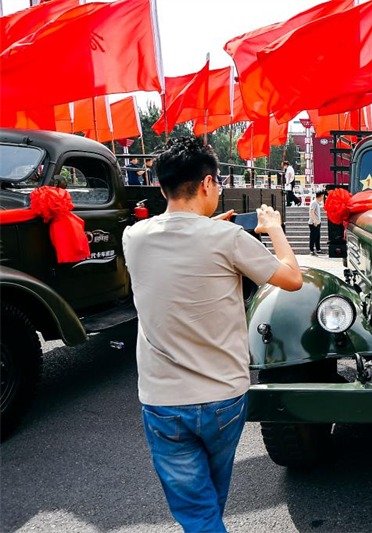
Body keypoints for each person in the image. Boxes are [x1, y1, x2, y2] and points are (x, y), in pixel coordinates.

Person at [122, 137, 302, 532]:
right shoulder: (230, 239)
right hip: (224, 398)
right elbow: (292, 278)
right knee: (209, 504)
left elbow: (183, 242)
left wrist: (208, 229)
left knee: (198, 509)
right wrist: (273, 229)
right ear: (206, 184)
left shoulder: (133, 238)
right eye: (217, 183)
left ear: (161, 185)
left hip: (163, 401)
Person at [308, 190, 324, 256]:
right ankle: (311, 250)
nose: (323, 198)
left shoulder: (317, 203)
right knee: (313, 237)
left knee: (317, 237)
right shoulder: (314, 203)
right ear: (320, 196)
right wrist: (315, 220)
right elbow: (311, 212)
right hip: (313, 223)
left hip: (317, 222)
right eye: (322, 196)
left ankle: (318, 249)